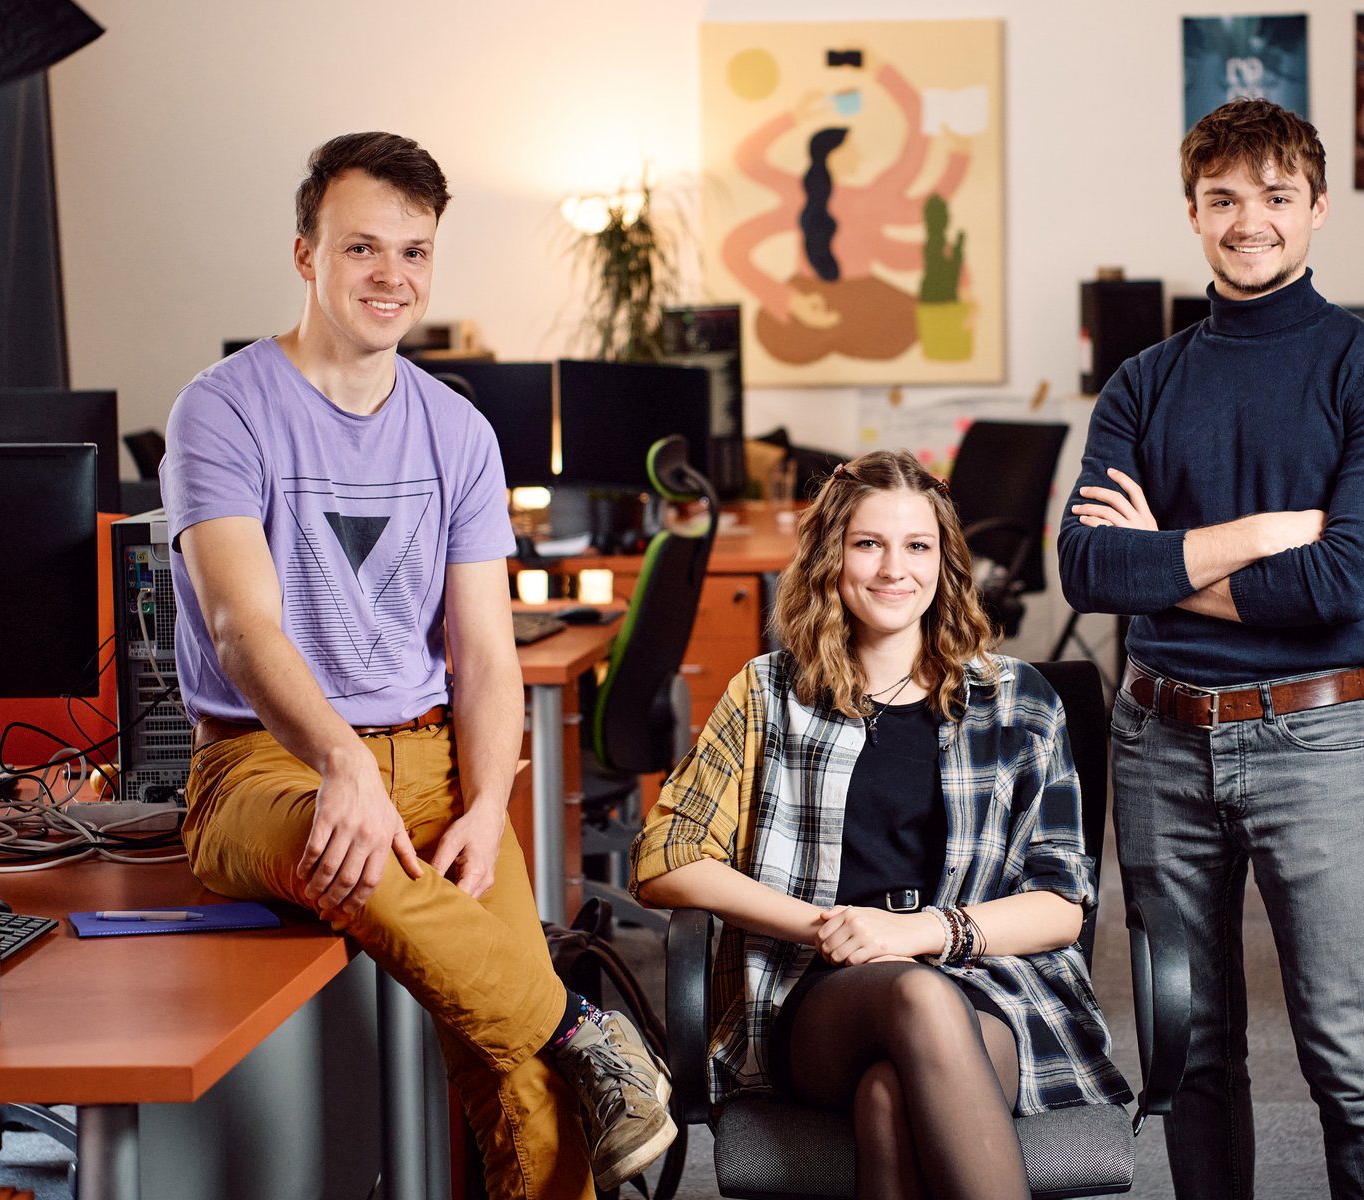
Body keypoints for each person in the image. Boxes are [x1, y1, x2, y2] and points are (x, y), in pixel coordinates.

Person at [159, 131, 675, 1200]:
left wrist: (485, 804)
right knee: (355, 860)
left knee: (531, 1089)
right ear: (306, 254)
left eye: (414, 251)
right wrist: (342, 762)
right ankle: (588, 1028)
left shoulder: (457, 431)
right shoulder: (223, 407)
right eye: (362, 248)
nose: (391, 275)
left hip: (433, 762)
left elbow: (484, 654)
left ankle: (570, 1047)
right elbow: (242, 626)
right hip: (263, 768)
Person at [1057, 99, 1364, 1200]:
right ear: (1193, 213)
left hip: (1311, 740)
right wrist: (1264, 536)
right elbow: (1087, 567)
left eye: (1275, 196)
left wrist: (1165, 564)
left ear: (1317, 208)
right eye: (1222, 199)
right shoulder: (1143, 381)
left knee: (1350, 1057)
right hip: (1158, 742)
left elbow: (1343, 583)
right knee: (1190, 1058)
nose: (1248, 220)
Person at [631, 450, 1129, 1200]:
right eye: (869, 543)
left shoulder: (1019, 701)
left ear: (944, 563)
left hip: (988, 990)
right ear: (832, 557)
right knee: (917, 998)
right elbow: (665, 860)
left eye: (917, 545)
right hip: (820, 998)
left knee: (888, 1102)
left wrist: (919, 933)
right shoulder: (770, 694)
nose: (895, 569)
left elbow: (1062, 907)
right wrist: (830, 928)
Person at [721, 61, 970, 365]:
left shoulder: (873, 199)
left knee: (909, 322)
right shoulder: (800, 197)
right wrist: (790, 302)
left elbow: (921, 165)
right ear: (832, 154)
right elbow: (747, 164)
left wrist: (878, 68)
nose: (861, 155)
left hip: (863, 299)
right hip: (816, 296)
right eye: (852, 148)